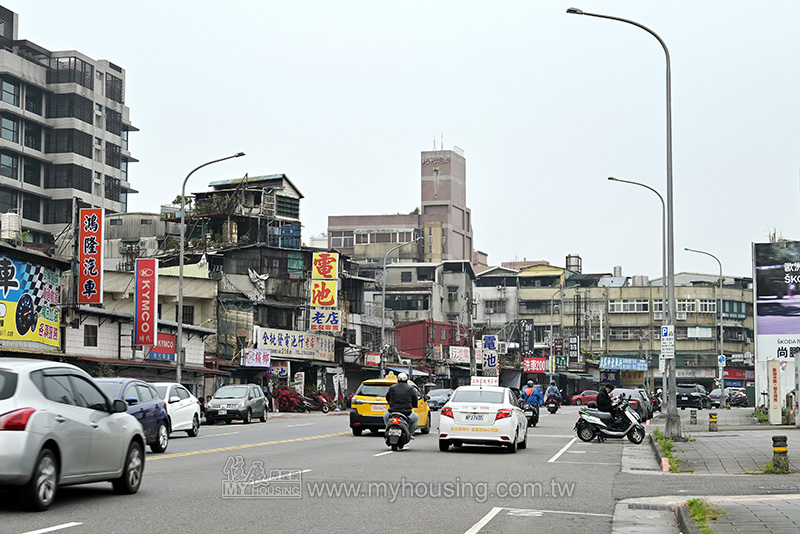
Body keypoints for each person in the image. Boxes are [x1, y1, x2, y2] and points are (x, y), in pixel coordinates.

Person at [383, 372, 419, 439]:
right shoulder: (411, 388)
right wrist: (414, 405)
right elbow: (415, 399)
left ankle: (387, 430)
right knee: (415, 418)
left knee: (385, 416)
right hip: (407, 412)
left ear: (398, 379)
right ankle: (410, 434)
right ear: (406, 380)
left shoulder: (392, 388)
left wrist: (390, 404)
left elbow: (387, 397)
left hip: (392, 411)